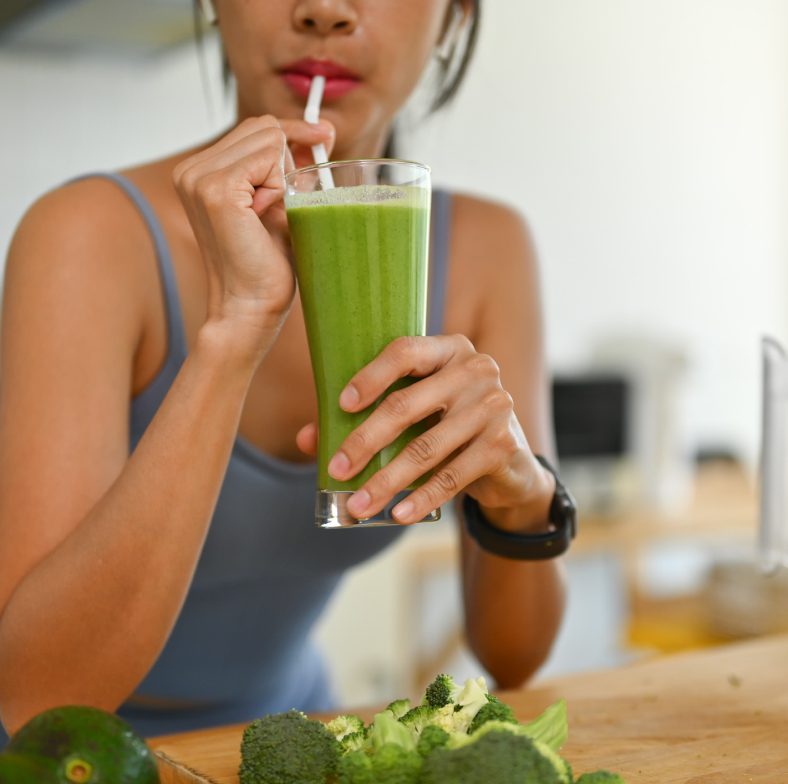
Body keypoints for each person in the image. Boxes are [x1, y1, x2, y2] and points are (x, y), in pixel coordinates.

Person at [0, 0, 568, 739]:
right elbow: (37, 701)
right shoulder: (86, 235)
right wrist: (234, 330)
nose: (324, 9)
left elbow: (515, 658)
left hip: (287, 738)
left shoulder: (487, 250)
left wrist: (523, 500)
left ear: (455, 18)